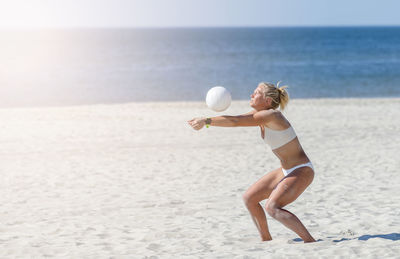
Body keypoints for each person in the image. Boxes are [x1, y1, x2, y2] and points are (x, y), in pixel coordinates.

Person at [187, 82, 316, 243]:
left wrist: (206, 120)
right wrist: (207, 121)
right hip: (285, 169)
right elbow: (235, 120)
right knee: (250, 198)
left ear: (268, 101)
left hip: (302, 169)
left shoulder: (271, 115)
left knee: (272, 207)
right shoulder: (260, 115)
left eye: (256, 93)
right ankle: (266, 240)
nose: (251, 95)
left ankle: (310, 242)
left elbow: (235, 121)